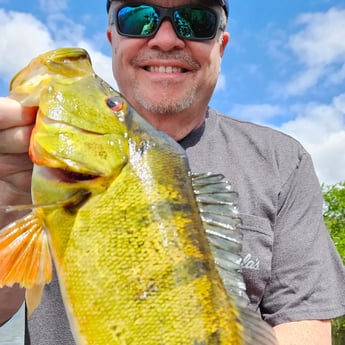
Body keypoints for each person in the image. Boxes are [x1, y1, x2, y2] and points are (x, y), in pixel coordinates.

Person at [0, 0, 344, 344]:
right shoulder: (19, 160)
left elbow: (304, 325)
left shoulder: (283, 161)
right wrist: (6, 206)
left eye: (195, 20)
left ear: (220, 45)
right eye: (138, 17)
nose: (166, 39)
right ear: (112, 38)